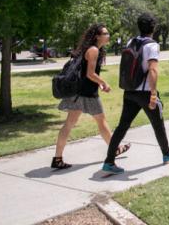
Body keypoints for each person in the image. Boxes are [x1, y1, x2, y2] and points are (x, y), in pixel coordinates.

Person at [102, 13, 169, 174]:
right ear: (154, 27)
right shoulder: (152, 45)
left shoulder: (131, 41)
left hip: (129, 91)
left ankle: (109, 162)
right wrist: (153, 95)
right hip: (145, 92)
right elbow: (153, 69)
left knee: (122, 126)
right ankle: (167, 155)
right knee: (158, 123)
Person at [52, 24, 130, 170]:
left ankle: (57, 158)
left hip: (80, 93)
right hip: (86, 94)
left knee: (70, 124)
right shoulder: (93, 50)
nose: (108, 35)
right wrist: (103, 82)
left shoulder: (92, 49)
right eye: (105, 33)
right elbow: (90, 74)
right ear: (97, 36)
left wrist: (98, 84)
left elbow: (86, 74)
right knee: (101, 122)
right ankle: (115, 149)